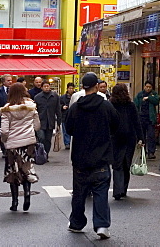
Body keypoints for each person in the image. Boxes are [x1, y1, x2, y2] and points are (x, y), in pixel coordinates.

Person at [64, 73, 119, 239]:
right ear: (96, 86)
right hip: (101, 156)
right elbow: (116, 124)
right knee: (101, 192)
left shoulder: (75, 107)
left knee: (79, 193)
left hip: (80, 156)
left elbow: (69, 129)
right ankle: (102, 225)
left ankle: (76, 223)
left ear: (83, 87)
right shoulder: (106, 106)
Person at [0, 82, 40, 212]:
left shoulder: (7, 109)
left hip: (12, 144)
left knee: (13, 171)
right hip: (28, 143)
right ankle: (27, 193)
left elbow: (4, 131)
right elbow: (37, 126)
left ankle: (15, 201)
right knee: (26, 169)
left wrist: (4, 141)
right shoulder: (31, 107)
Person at [109, 83, 144, 200]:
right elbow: (136, 122)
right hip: (130, 137)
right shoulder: (131, 105)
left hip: (115, 137)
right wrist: (141, 138)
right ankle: (123, 188)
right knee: (126, 163)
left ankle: (117, 190)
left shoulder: (110, 105)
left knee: (117, 163)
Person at [34, 80, 62, 157]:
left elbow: (58, 109)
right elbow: (35, 110)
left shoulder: (55, 96)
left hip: (50, 121)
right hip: (40, 121)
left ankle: (46, 153)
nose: (46, 88)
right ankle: (41, 152)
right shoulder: (37, 97)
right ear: (42, 88)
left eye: (48, 86)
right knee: (41, 137)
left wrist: (59, 121)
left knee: (48, 139)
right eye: (45, 86)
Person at [134, 81, 160, 159]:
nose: (148, 88)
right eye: (147, 87)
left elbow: (156, 100)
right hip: (141, 118)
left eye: (149, 87)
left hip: (150, 119)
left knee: (151, 136)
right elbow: (136, 105)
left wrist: (148, 98)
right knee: (142, 137)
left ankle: (151, 152)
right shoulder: (139, 95)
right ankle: (143, 152)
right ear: (144, 87)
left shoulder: (154, 94)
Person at [61, 82, 75, 149]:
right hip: (65, 115)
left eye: (72, 88)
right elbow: (59, 105)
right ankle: (67, 143)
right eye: (70, 88)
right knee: (65, 130)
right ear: (67, 88)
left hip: (73, 115)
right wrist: (62, 107)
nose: (71, 90)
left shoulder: (76, 96)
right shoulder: (63, 97)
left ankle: (71, 142)